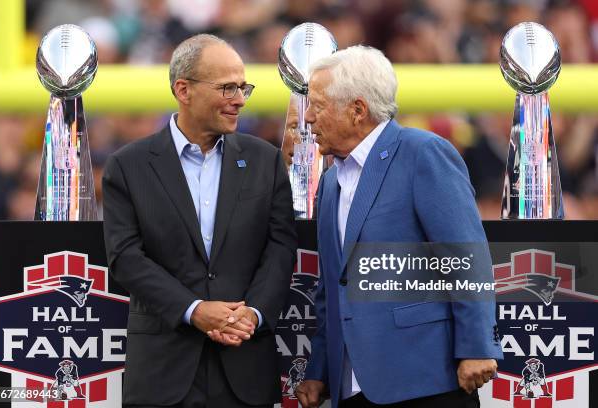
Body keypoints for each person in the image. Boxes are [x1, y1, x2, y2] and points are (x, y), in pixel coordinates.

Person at [294, 45, 503, 408]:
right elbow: (332, 286)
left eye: (318, 104)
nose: (308, 117)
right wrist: (319, 369)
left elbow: (465, 256)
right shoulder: (330, 181)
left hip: (426, 381)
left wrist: (477, 347)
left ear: (357, 110)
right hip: (352, 388)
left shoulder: (422, 152)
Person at [102, 34, 297, 408]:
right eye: (227, 88)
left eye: (243, 87)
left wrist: (252, 315)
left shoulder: (264, 161)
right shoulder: (127, 166)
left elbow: (280, 247)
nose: (239, 99)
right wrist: (194, 311)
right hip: (163, 373)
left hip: (246, 365)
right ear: (183, 90)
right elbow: (126, 257)